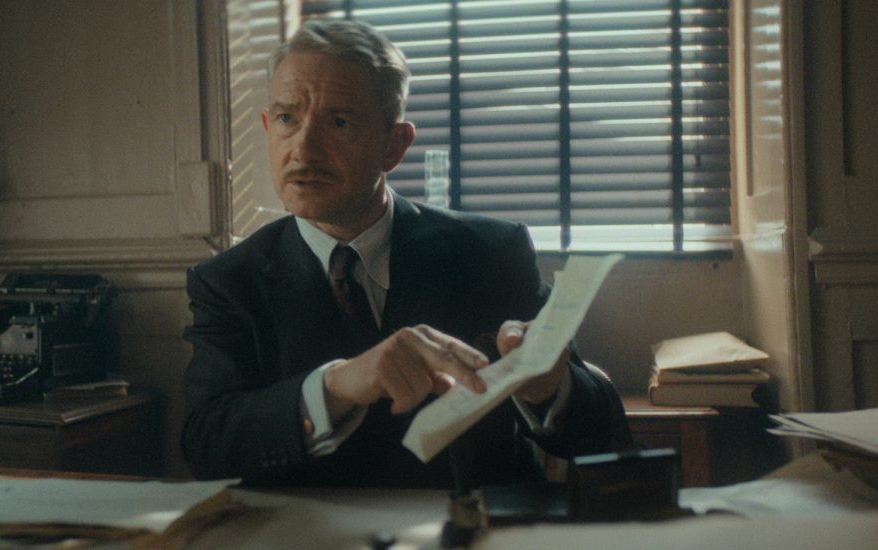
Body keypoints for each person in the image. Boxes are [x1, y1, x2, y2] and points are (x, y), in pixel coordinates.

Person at [181, 19, 629, 488]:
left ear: (394, 146)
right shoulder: (228, 281)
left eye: (339, 122)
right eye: (289, 119)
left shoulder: (492, 252)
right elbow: (205, 446)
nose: (304, 149)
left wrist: (549, 389)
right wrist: (334, 387)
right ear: (268, 128)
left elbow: (601, 433)